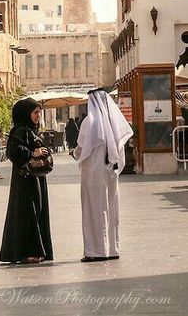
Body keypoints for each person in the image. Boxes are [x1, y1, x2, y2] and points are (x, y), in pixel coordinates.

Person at [73, 88, 133, 262]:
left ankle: (96, 251)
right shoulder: (113, 121)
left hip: (93, 174)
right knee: (111, 207)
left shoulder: (89, 122)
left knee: (94, 209)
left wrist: (75, 154)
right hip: (111, 172)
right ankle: (112, 248)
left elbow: (80, 150)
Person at [0, 98, 53, 264]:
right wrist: (32, 154)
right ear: (26, 114)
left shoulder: (31, 130)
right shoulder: (21, 130)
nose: (38, 116)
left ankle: (37, 250)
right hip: (25, 180)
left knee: (37, 211)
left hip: (35, 179)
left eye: (39, 112)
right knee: (28, 214)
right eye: (35, 112)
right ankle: (27, 252)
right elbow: (13, 152)